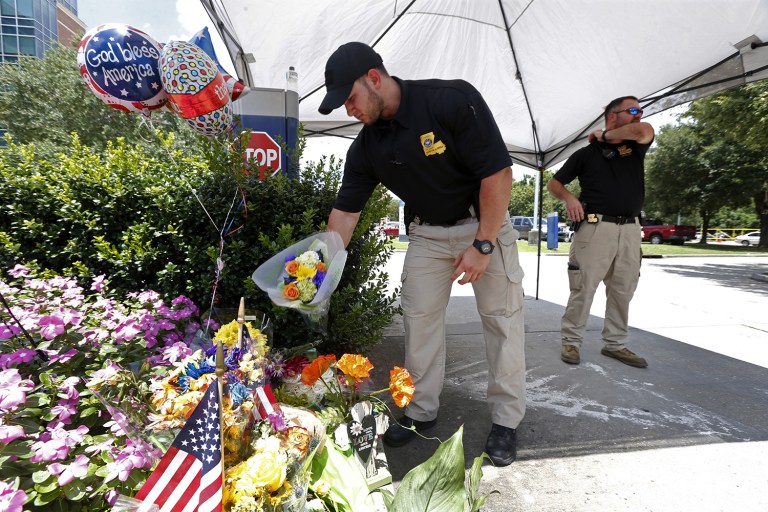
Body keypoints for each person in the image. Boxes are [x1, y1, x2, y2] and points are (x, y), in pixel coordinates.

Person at [318, 42, 526, 466]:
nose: (349, 110)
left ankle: (506, 420)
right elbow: (345, 215)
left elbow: (498, 173)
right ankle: (420, 409)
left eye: (351, 98)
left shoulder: (450, 100)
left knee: (502, 323)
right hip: (428, 237)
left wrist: (483, 245)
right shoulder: (366, 148)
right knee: (419, 323)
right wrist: (317, 270)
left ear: (374, 78)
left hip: (484, 224)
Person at [547, 96, 655, 368]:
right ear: (612, 115)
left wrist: (604, 135)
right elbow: (554, 184)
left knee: (623, 289)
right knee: (583, 287)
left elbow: (644, 131)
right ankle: (571, 341)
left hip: (630, 229)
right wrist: (569, 199)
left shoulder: (636, 146)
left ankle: (615, 344)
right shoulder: (585, 154)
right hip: (596, 228)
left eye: (641, 110)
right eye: (632, 110)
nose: (639, 114)